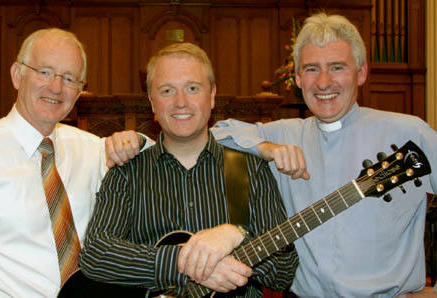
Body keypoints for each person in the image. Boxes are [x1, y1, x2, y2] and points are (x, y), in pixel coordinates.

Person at [210, 13, 437, 297]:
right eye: (311, 69)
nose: (323, 82)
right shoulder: (283, 134)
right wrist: (267, 149)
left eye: (337, 67)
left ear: (362, 72)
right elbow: (216, 133)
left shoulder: (409, 133)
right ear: (296, 78)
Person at [79, 42, 299, 297]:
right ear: (152, 102)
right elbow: (96, 255)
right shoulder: (128, 172)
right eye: (167, 90)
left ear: (212, 95)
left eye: (192, 88)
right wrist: (186, 263)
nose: (180, 102)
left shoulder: (248, 170)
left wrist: (238, 238)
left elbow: (284, 272)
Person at [0, 28, 145, 297]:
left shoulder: (91, 149)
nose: (56, 87)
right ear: (17, 74)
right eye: (44, 71)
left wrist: (137, 141)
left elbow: (156, 167)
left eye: (70, 78)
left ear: (80, 90)